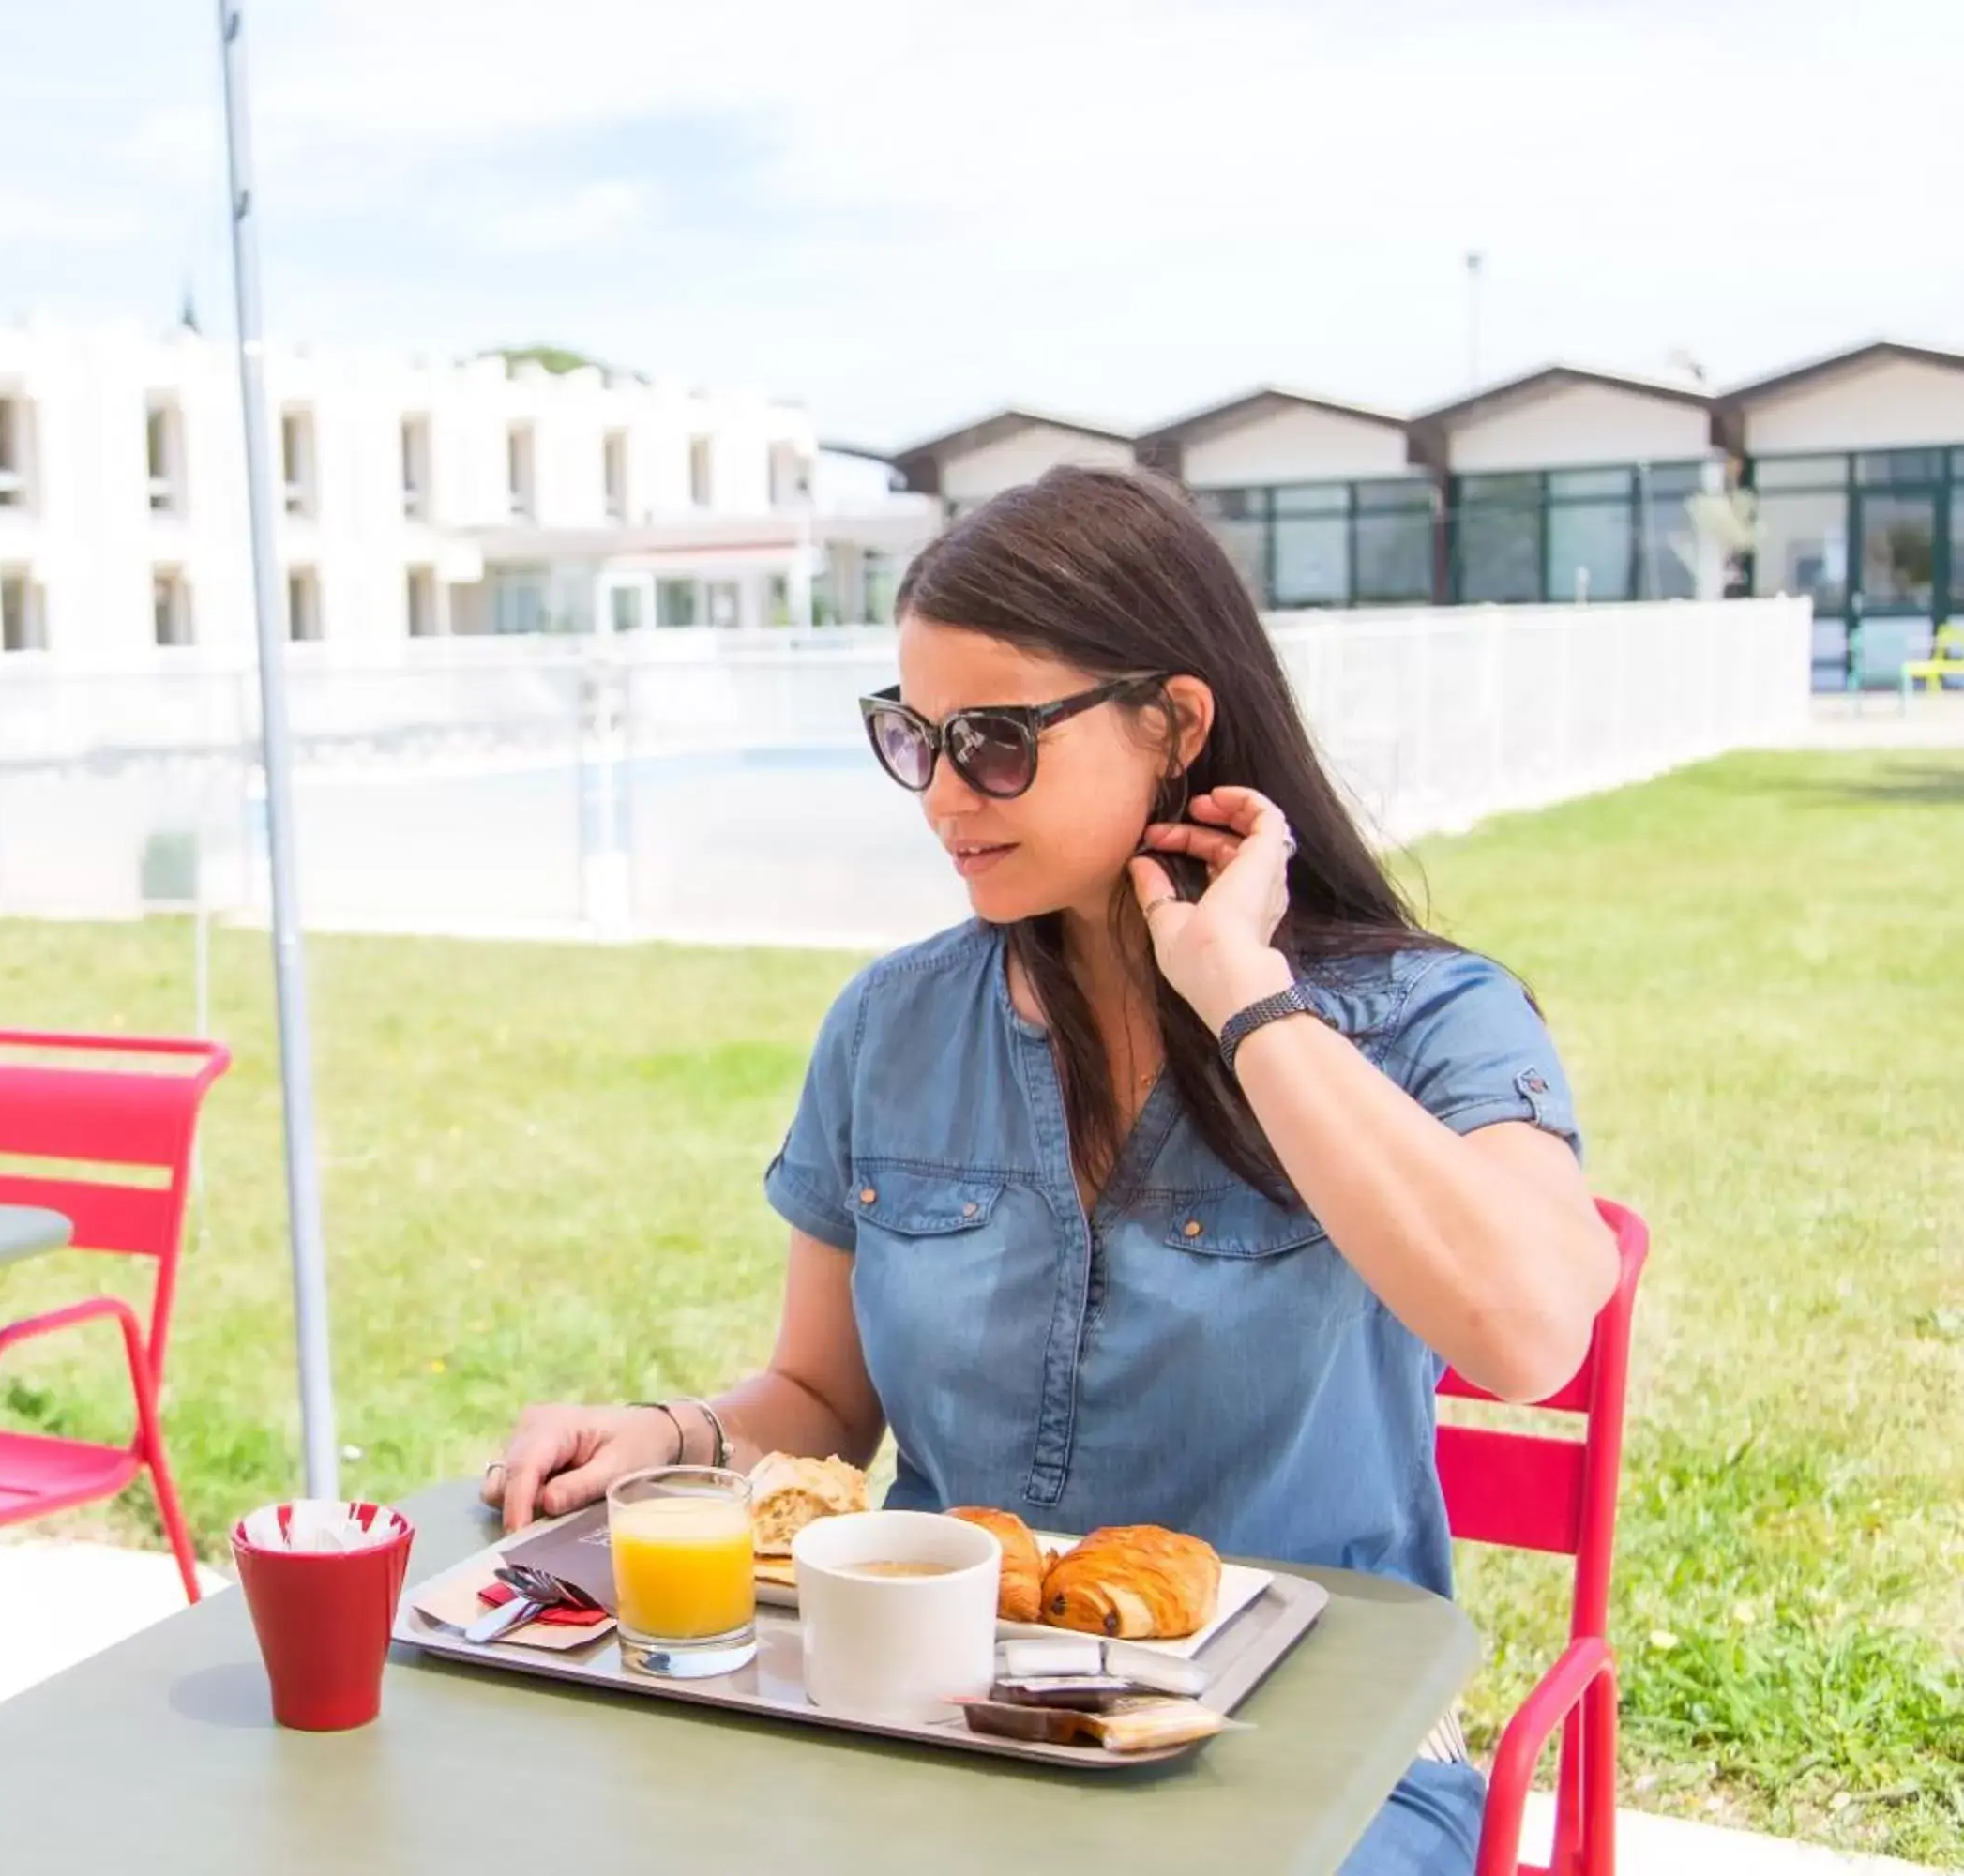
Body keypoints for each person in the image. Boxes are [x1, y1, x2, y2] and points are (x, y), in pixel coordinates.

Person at [483, 467, 1617, 1874]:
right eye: (918, 737)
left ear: (1175, 724)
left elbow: (1527, 1330)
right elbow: (828, 1399)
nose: (945, 796)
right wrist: (672, 1437)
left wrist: (1247, 1002)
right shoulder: (891, 1026)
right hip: (927, 1718)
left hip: (1305, 1757)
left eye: (1000, 741)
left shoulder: (1429, 1020)